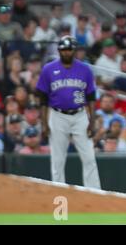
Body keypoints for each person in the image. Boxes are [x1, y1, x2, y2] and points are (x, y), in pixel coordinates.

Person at [35, 35, 100, 189]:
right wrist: (44, 123)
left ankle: (95, 192)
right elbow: (43, 99)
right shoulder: (48, 69)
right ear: (59, 51)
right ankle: (59, 190)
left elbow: (91, 97)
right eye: (63, 49)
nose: (66, 52)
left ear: (74, 51)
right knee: (57, 160)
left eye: (69, 49)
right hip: (57, 116)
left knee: (89, 157)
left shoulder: (85, 69)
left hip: (80, 115)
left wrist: (92, 121)